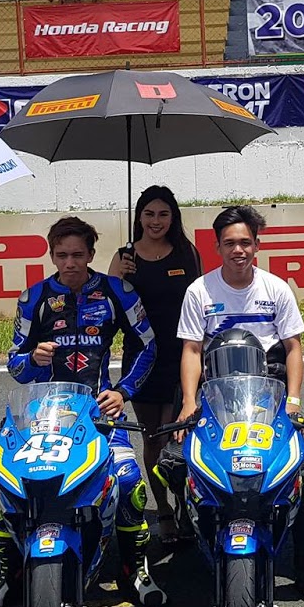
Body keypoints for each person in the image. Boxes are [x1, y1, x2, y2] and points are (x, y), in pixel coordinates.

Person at [0, 216, 165, 607]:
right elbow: (15, 364)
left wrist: (123, 391)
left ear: (91, 254)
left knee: (128, 481)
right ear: (52, 255)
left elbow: (148, 345)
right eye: (62, 255)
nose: (70, 262)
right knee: (11, 485)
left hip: (99, 411)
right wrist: (33, 358)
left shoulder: (117, 291)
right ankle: (10, 571)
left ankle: (134, 569)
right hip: (42, 413)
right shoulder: (34, 298)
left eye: (78, 254)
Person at [175, 204, 304, 607]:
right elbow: (192, 349)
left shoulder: (275, 289)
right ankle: (194, 539)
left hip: (269, 394)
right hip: (215, 395)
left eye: (245, 242)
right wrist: (189, 402)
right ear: (217, 247)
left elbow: (294, 347)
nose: (238, 250)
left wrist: (293, 401)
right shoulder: (199, 291)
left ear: (257, 245)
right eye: (230, 243)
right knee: (176, 465)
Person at [108, 185, 202, 544]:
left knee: (177, 436)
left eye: (163, 214)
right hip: (142, 359)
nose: (156, 221)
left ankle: (185, 503)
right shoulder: (125, 256)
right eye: (149, 214)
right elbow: (109, 310)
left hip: (183, 356)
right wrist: (119, 277)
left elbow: (201, 301)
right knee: (153, 439)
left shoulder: (187, 252)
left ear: (173, 217)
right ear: (139, 217)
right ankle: (163, 509)